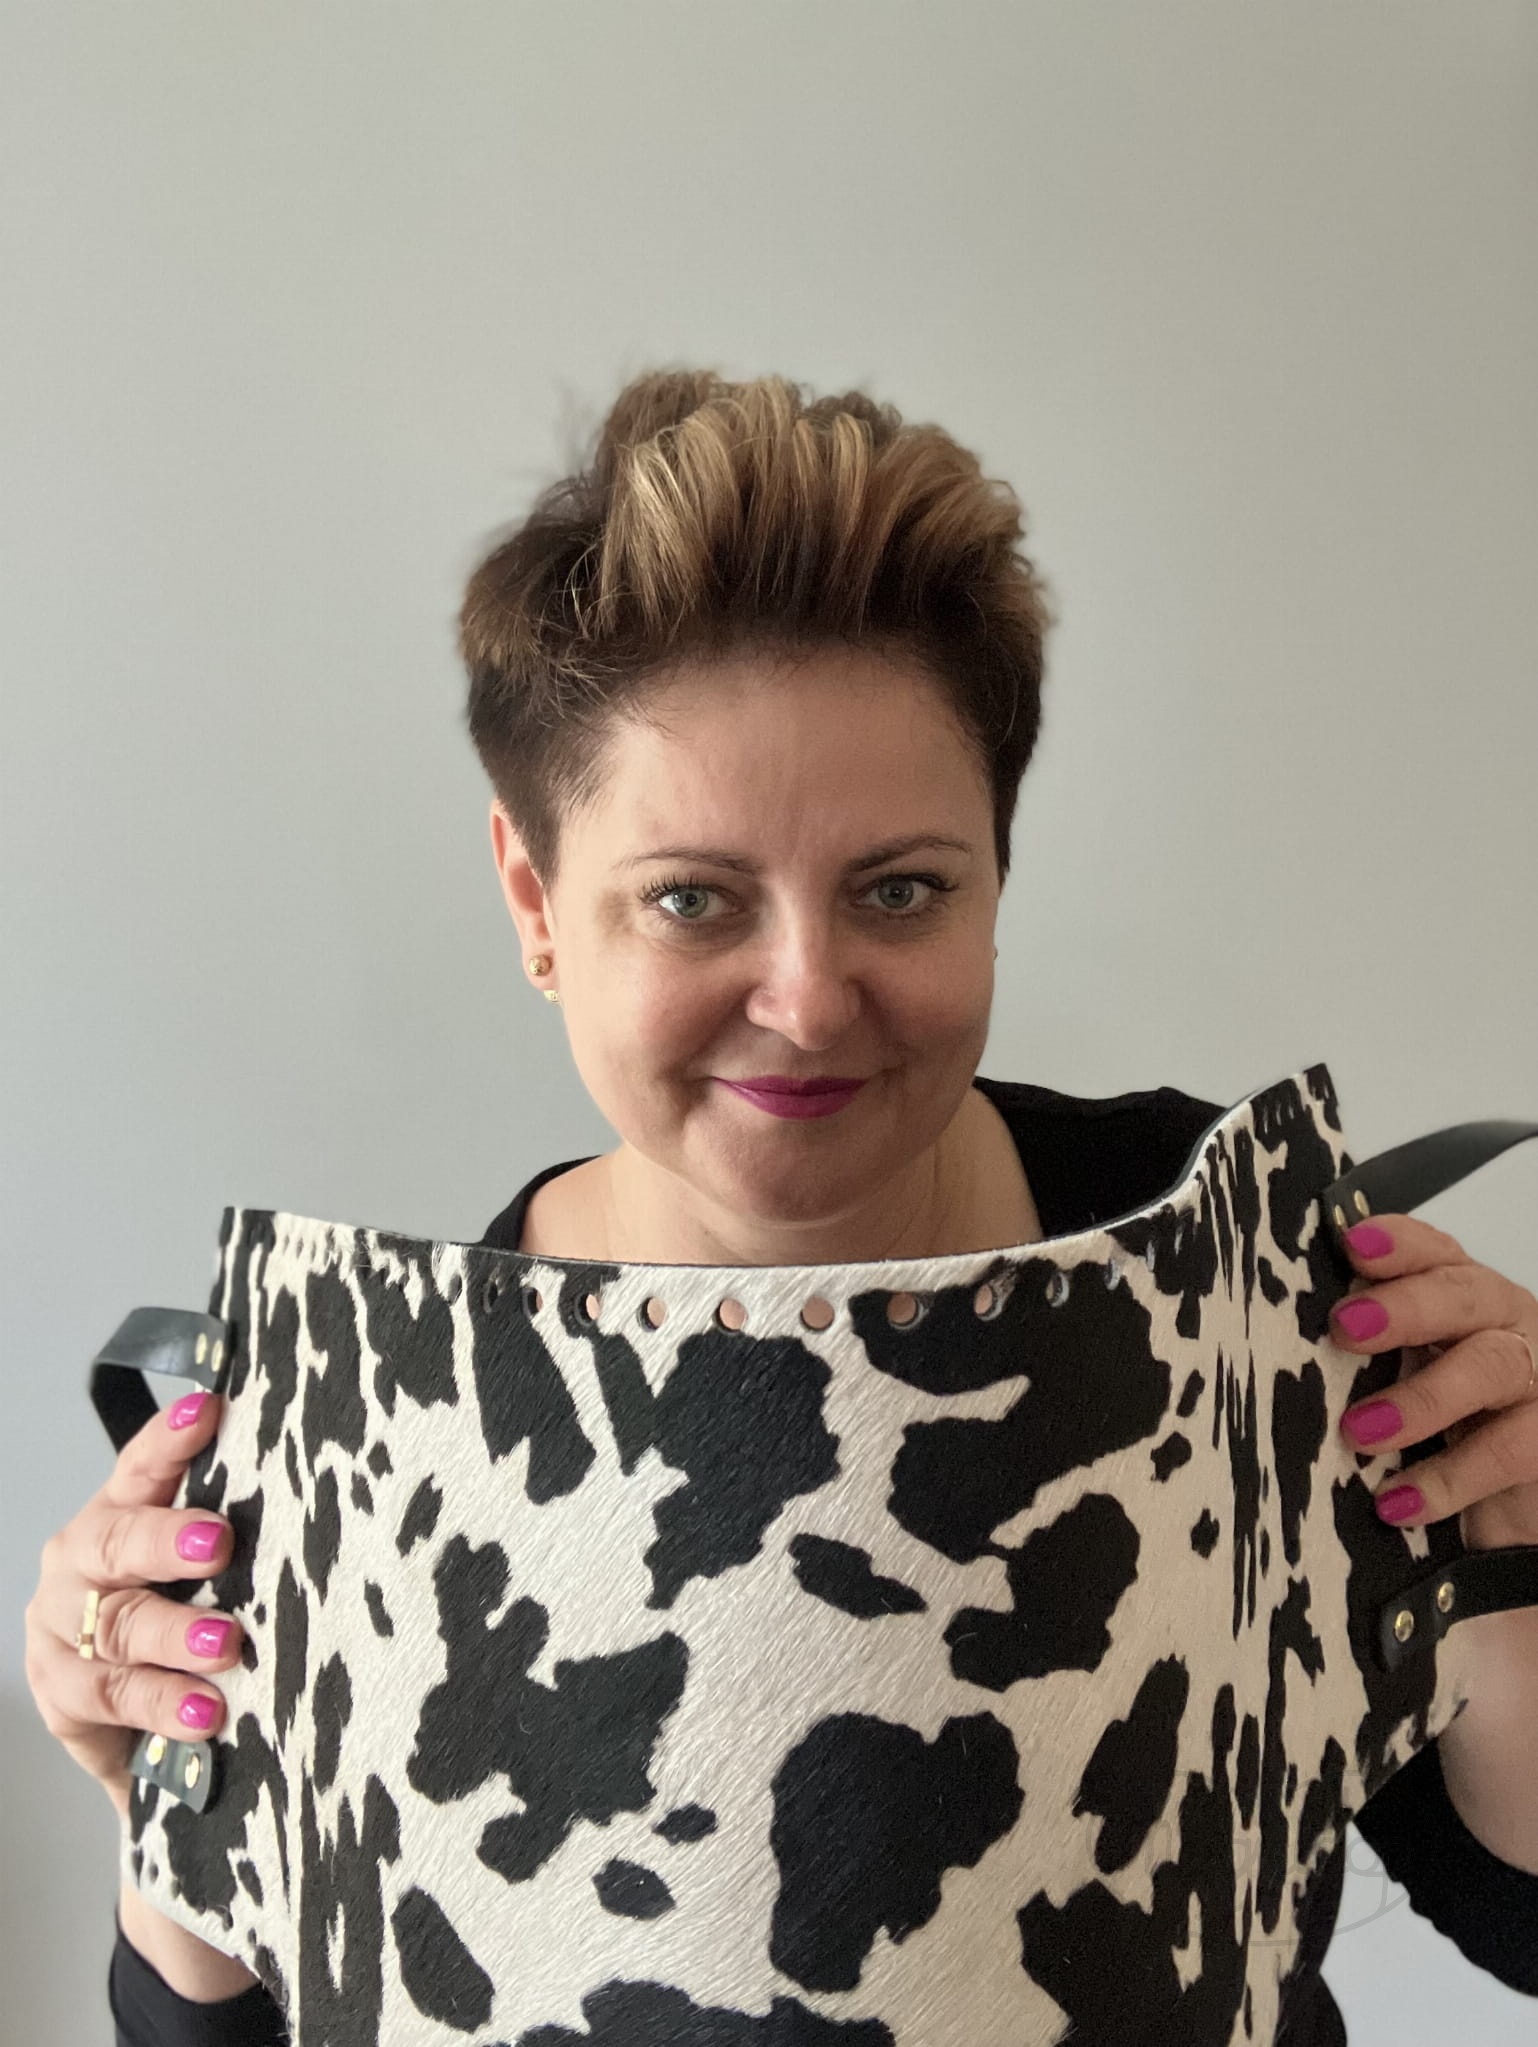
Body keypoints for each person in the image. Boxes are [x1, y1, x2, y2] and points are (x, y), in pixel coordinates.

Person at [24, 368, 1538, 2047]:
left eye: (899, 889)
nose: (809, 1002)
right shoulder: (376, 1412)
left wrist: (1518, 1540)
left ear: (995, 874)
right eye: (692, 900)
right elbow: (218, 2023)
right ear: (535, 900)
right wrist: (165, 1794)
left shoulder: (1224, 1261)